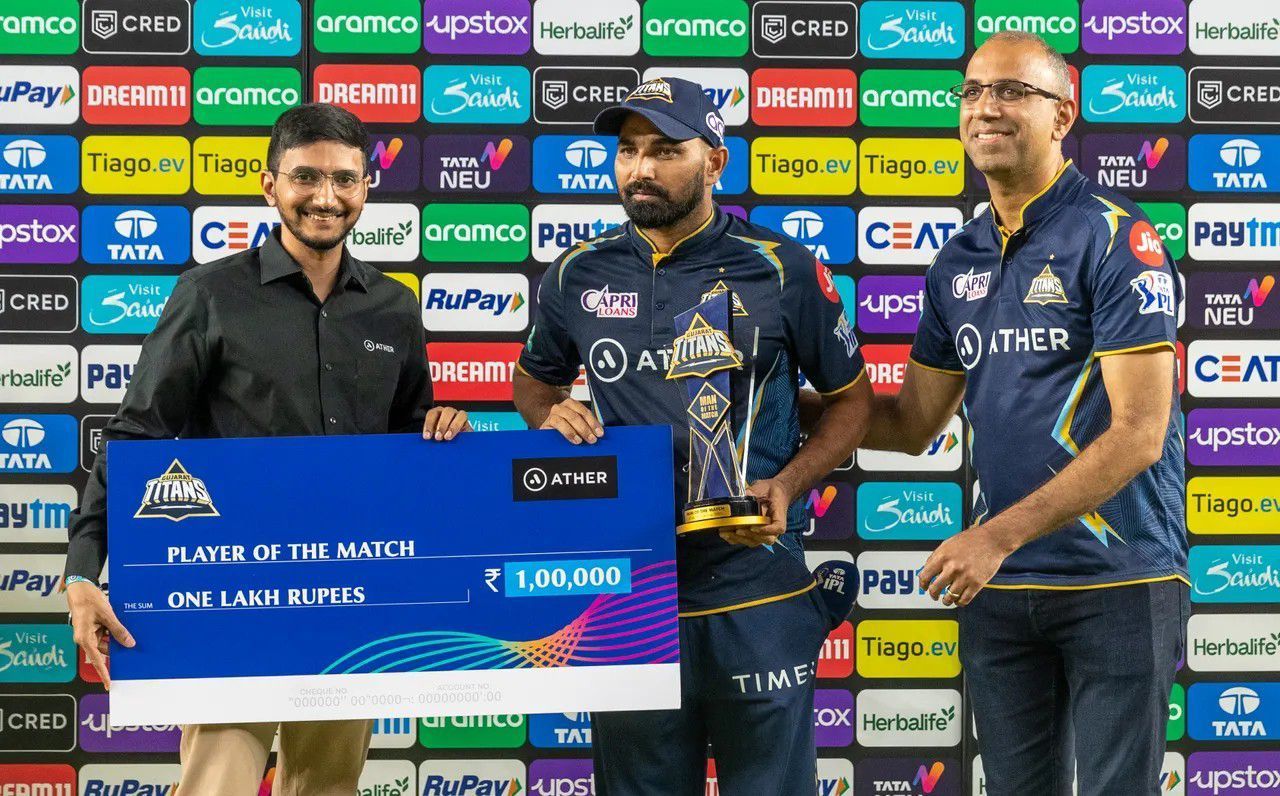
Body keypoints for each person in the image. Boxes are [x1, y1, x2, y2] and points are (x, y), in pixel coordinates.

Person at [63, 103, 468, 796]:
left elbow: (405, 444)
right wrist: (81, 573)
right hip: (226, 593)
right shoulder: (211, 294)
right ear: (269, 185)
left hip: (351, 597)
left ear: (367, 186)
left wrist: (442, 428)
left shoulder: (394, 308)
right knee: (216, 784)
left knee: (327, 787)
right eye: (305, 176)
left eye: (345, 179)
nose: (326, 196)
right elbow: (137, 436)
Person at [512, 77, 872, 794]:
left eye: (666, 150)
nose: (640, 169)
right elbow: (533, 379)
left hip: (757, 583)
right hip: (632, 593)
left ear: (714, 162)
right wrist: (548, 413)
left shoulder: (783, 268)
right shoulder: (577, 272)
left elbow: (851, 402)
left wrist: (790, 484)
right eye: (627, 151)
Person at [859, 32, 1187, 795]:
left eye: (1011, 92)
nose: (986, 109)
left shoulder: (1116, 238)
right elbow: (911, 423)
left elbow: (1141, 435)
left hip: (1116, 578)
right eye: (972, 92)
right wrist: (775, 405)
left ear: (1062, 115)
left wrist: (995, 536)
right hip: (1001, 592)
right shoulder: (959, 258)